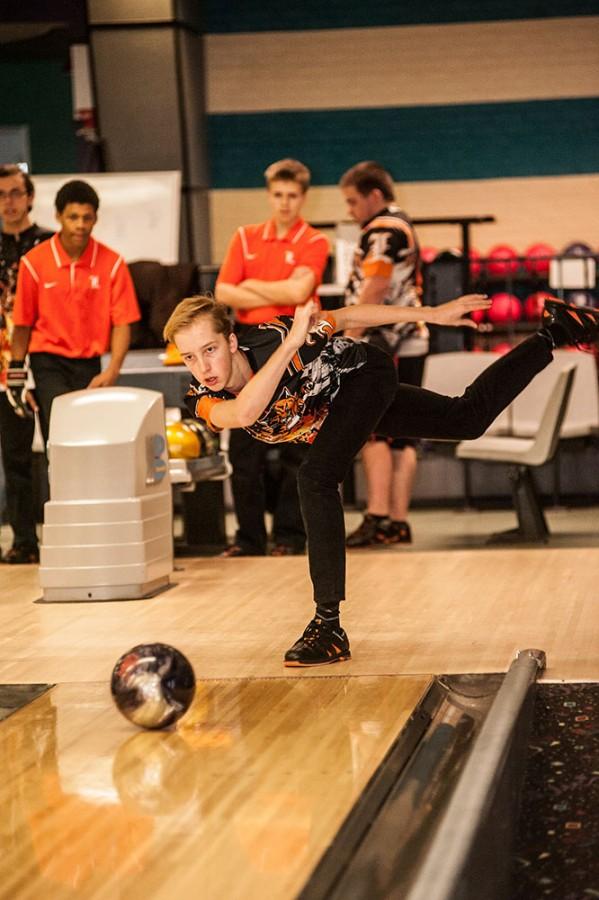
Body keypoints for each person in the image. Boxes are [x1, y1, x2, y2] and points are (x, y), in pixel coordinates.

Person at [164, 292, 599, 667]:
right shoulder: (203, 395)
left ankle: (327, 626)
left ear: (232, 340)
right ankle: (552, 334)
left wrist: (430, 313)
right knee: (466, 418)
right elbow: (243, 414)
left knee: (315, 476)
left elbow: (350, 316)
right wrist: (295, 342)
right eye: (189, 357)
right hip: (338, 411)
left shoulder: (276, 335)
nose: (203, 366)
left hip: (363, 377)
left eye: (210, 350)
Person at [215, 159, 329, 557]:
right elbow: (225, 292)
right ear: (269, 195)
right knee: (246, 448)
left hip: (299, 344)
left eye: (292, 196)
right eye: (278, 195)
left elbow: (301, 292)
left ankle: (289, 536)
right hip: (250, 346)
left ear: (303, 197)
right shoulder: (244, 237)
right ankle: (248, 539)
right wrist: (279, 290)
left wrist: (250, 285)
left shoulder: (315, 241)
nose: (284, 203)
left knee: (298, 443)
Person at [10, 180, 140, 448]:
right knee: (59, 437)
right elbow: (22, 324)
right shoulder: (34, 263)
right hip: (47, 362)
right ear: (58, 216)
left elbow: (122, 322)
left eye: (87, 218)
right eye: (73, 217)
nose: (80, 225)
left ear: (95, 219)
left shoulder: (112, 263)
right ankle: (58, 490)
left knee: (91, 439)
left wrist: (113, 370)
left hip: (90, 364)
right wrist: (16, 375)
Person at [340, 161, 428, 548]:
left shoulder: (382, 230)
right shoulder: (402, 223)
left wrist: (350, 336)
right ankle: (397, 521)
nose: (350, 210)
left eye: (353, 201)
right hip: (412, 338)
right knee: (404, 433)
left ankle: (376, 516)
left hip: (382, 340)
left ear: (375, 195)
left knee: (371, 429)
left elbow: (374, 287)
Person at [0, 165, 53, 564]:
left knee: (60, 452)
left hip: (50, 361)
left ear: (30, 197)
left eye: (16, 193)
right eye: (2, 194)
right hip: (5, 370)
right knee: (15, 456)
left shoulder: (50, 245)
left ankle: (66, 533)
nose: (9, 202)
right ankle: (23, 540)